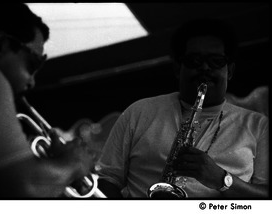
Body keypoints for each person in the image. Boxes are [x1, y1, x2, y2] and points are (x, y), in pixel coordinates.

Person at [97, 18, 269, 198]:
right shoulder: (138, 112)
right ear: (178, 68)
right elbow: (108, 179)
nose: (204, 68)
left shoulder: (259, 125)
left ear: (230, 71)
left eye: (216, 61)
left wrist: (222, 179)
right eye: (194, 60)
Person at [0, 3, 96, 198]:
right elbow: (27, 186)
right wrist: (74, 162)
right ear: (0, 44)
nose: (31, 81)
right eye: (33, 64)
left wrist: (52, 167)